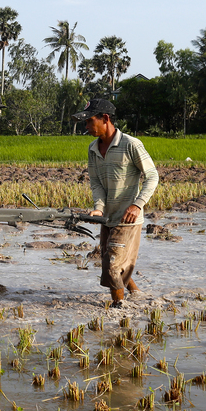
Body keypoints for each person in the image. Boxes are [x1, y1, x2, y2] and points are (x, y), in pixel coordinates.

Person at [72, 98, 159, 307]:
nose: (86, 127)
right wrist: (98, 209)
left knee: (112, 265)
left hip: (128, 217)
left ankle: (118, 311)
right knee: (111, 261)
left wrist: (137, 204)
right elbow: (96, 184)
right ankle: (137, 296)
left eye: (89, 121)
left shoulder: (131, 145)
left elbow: (152, 176)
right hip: (107, 218)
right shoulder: (93, 149)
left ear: (106, 119)